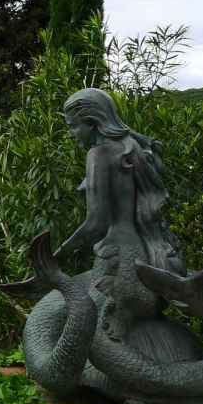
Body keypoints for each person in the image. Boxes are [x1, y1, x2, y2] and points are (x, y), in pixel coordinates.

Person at [57, 87, 182, 342]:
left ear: (92, 123)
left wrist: (58, 253)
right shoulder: (132, 145)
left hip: (118, 260)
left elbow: (96, 222)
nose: (71, 134)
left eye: (73, 126)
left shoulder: (98, 154)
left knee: (87, 334)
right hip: (147, 257)